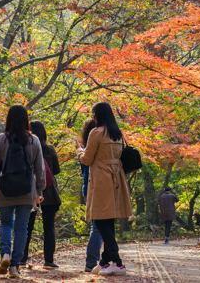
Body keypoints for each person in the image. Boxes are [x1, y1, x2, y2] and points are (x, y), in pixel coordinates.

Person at [76, 101, 133, 276]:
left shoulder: (96, 132)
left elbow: (86, 159)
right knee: (109, 221)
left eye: (94, 114)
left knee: (100, 220)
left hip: (101, 180)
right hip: (116, 179)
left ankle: (117, 262)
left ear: (98, 115)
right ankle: (104, 262)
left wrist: (79, 150)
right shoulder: (117, 134)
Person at [0, 105, 46, 279]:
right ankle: (14, 267)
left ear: (8, 119)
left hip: (4, 189)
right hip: (27, 190)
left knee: (6, 223)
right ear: (26, 120)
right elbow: (40, 169)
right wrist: (39, 190)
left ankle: (5, 255)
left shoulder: (1, 139)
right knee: (21, 228)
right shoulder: (34, 140)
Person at [23, 121, 61, 269]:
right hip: (49, 192)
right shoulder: (50, 149)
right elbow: (56, 170)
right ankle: (49, 261)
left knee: (27, 226)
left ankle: (22, 259)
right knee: (49, 227)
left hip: (31, 191)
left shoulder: (27, 147)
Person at [80, 119, 103, 272]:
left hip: (86, 186)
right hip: (96, 185)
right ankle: (91, 261)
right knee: (98, 226)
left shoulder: (83, 149)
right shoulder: (98, 148)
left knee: (97, 225)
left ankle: (94, 260)